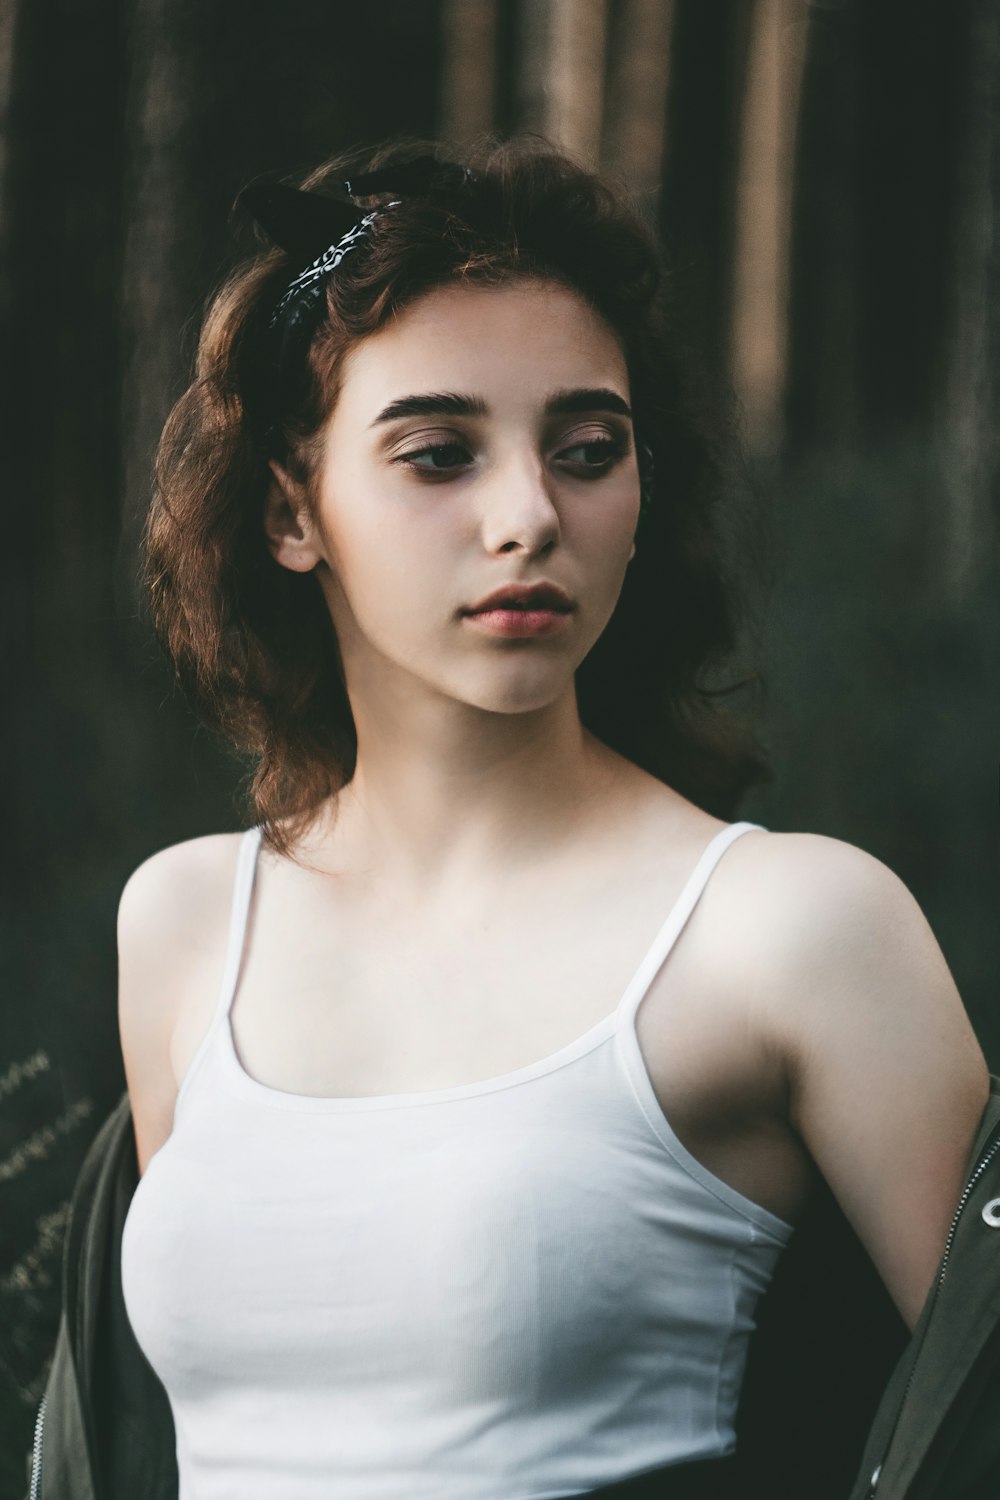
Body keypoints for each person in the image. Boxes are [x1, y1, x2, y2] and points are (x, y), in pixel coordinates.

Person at [89, 141, 992, 1497]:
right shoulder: (184, 922)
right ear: (292, 508)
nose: (528, 516)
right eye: (439, 454)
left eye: (587, 450)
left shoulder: (792, 929)